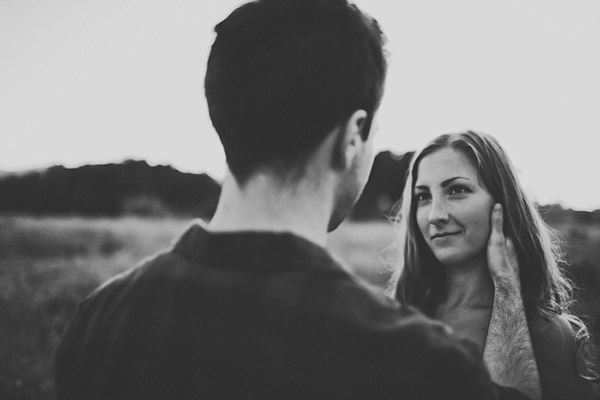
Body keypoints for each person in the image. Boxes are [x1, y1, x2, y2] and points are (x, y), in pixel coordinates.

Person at [56, 1, 539, 399]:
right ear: (352, 137)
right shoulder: (413, 363)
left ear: (224, 116)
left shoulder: (100, 319)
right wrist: (511, 298)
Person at [390, 130, 597, 400]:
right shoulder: (397, 316)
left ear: (502, 203)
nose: (435, 215)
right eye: (423, 197)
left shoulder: (547, 333)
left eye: (457, 190)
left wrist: (507, 287)